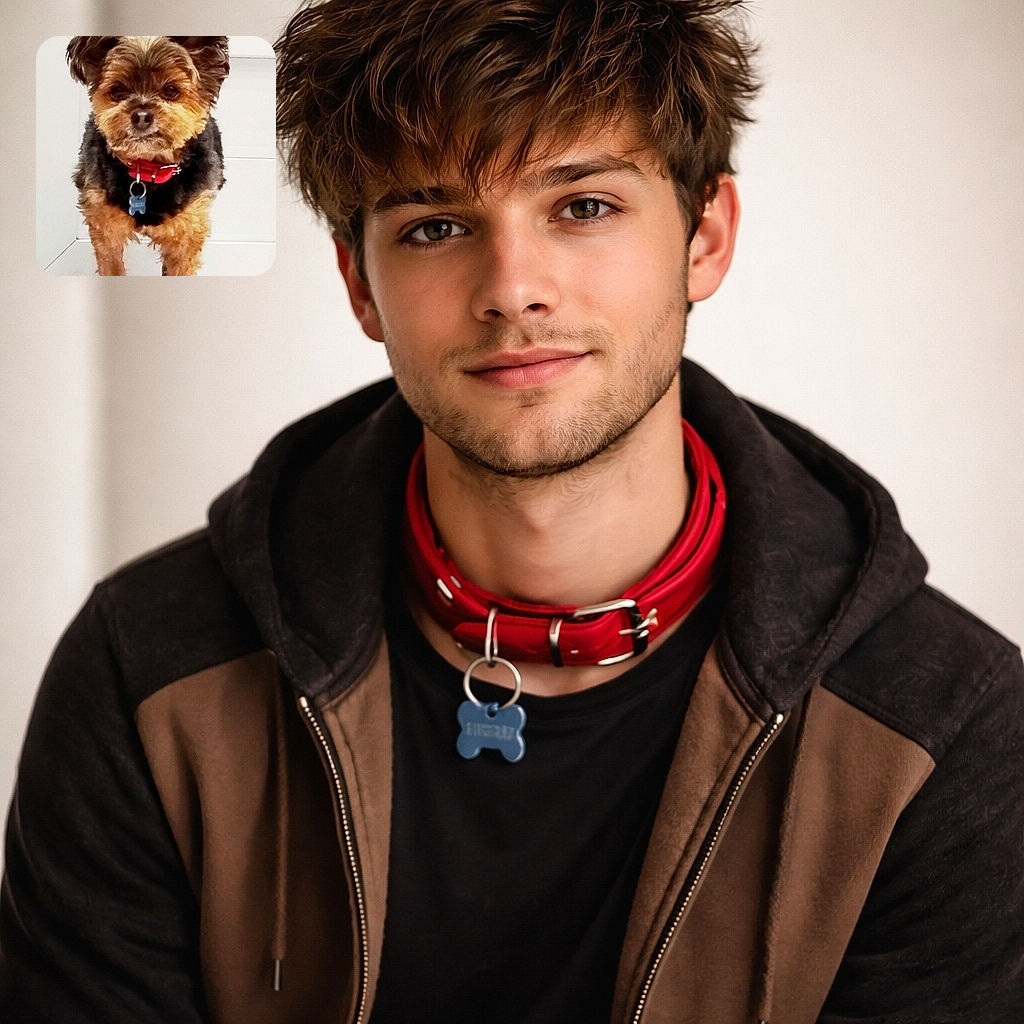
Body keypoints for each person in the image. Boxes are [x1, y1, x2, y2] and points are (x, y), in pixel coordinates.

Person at [2, 1, 1022, 1020]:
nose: (512, 287)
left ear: (704, 236)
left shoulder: (937, 723)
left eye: (581, 206)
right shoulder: (151, 668)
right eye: (436, 226)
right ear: (361, 284)